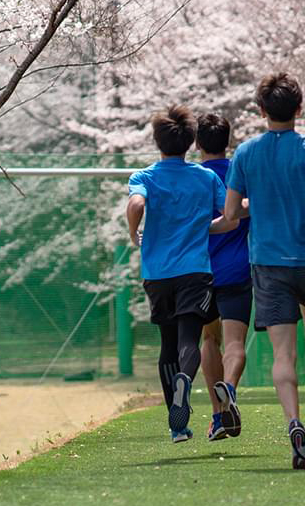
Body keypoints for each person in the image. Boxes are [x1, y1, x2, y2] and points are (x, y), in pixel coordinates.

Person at [211, 74, 305, 470]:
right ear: (299, 108)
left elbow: (231, 215)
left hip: (267, 262)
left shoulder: (246, 154)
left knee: (283, 353)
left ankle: (294, 425)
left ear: (261, 110)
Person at [126, 106, 227, 443]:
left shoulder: (144, 177)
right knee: (189, 338)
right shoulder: (206, 177)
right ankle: (187, 377)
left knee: (167, 343)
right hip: (195, 271)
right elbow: (229, 218)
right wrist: (202, 227)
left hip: (158, 272)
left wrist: (132, 232)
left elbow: (137, 205)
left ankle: (178, 425)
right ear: (189, 142)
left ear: (158, 141)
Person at [195, 112, 251, 442]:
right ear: (228, 141)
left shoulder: (194, 177)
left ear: (197, 143)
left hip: (201, 270)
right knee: (235, 344)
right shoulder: (239, 173)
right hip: (239, 268)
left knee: (208, 340)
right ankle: (229, 387)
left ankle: (218, 416)